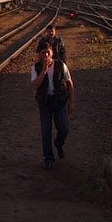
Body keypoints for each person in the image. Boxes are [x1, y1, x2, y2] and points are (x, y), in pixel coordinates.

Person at [30, 38, 75, 169]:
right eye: (43, 53)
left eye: (48, 52)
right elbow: (34, 85)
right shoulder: (36, 68)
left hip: (59, 101)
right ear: (38, 54)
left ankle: (59, 143)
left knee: (64, 128)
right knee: (46, 130)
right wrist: (43, 71)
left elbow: (69, 83)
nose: (46, 55)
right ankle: (48, 157)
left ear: (52, 53)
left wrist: (71, 102)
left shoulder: (61, 65)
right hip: (45, 102)